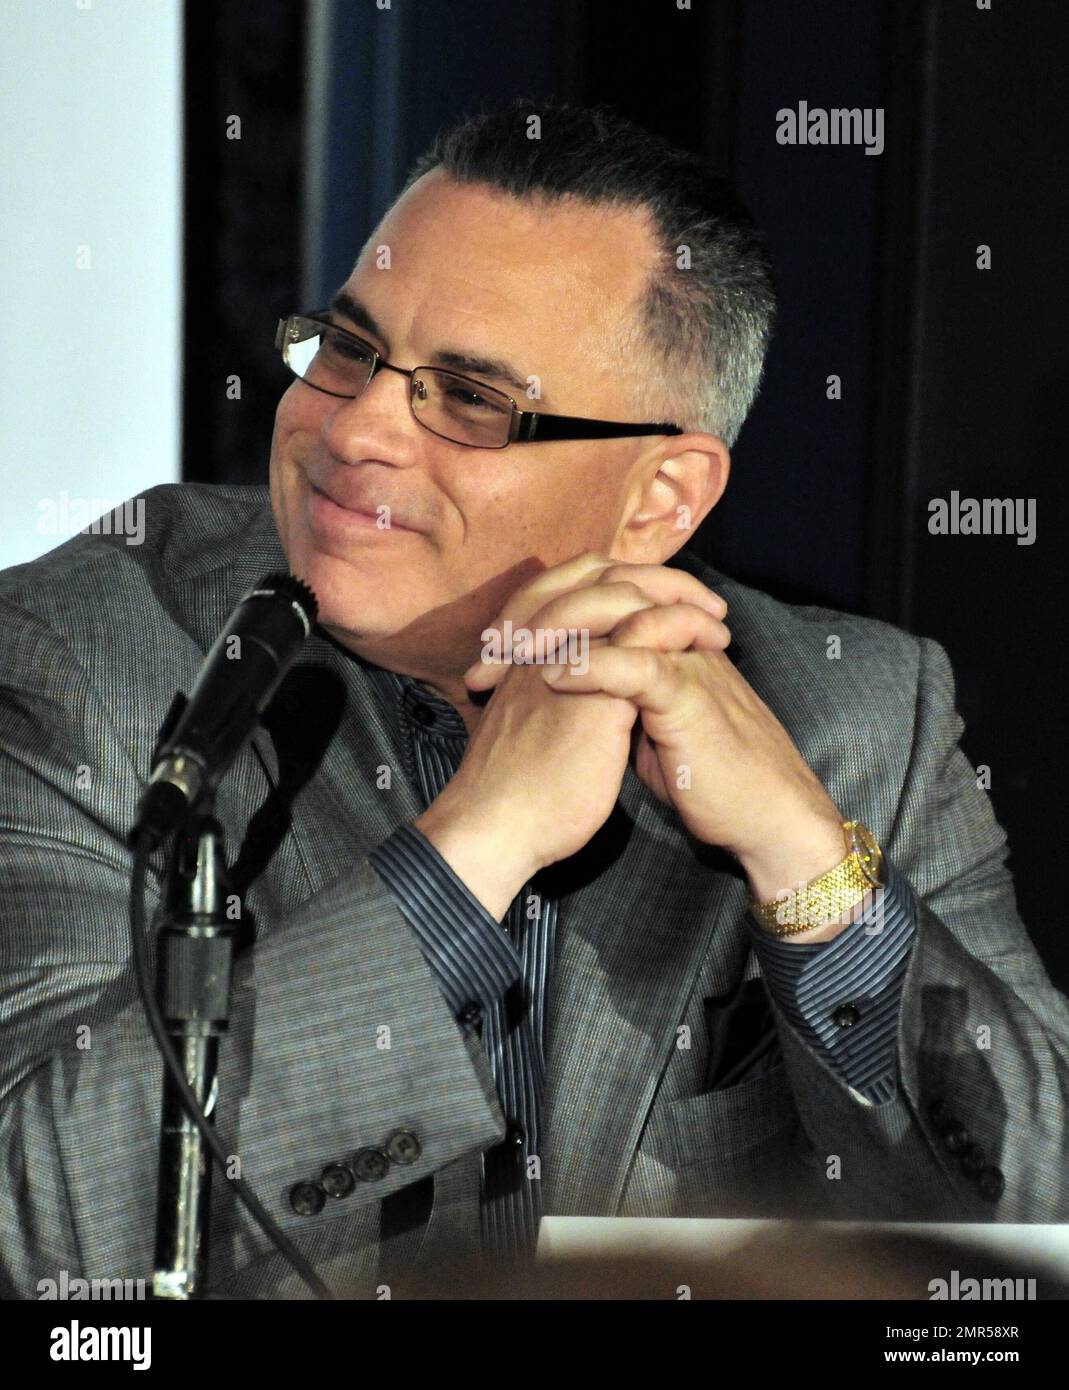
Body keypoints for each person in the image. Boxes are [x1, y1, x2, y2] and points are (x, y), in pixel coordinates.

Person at [2, 99, 1067, 1302]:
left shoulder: (856, 716)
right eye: (348, 349)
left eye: (468, 399)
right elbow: (38, 1236)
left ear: (661, 496)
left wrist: (805, 861)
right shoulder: (88, 654)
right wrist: (472, 849)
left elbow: (1030, 1225)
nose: (354, 427)